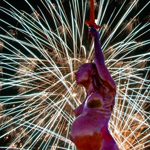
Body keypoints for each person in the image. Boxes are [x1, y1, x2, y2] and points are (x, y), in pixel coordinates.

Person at [70, 26, 119, 150]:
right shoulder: (87, 99)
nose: (76, 73)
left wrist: (96, 38)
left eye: (81, 69)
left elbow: (99, 62)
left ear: (92, 72)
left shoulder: (106, 89)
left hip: (104, 145)